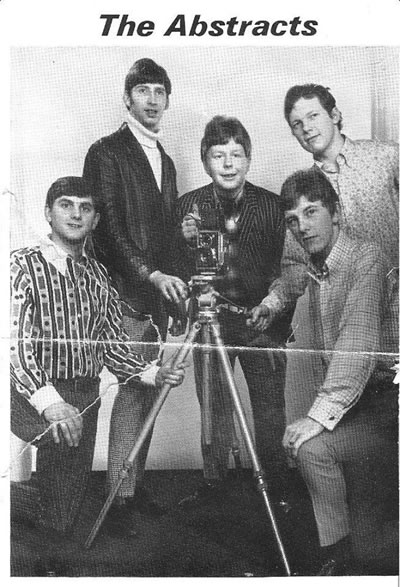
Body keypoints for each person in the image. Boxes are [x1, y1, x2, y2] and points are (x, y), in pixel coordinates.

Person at [10, 177, 186, 569]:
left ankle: (40, 510)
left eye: (85, 207)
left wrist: (154, 374)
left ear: (95, 220)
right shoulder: (21, 264)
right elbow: (14, 345)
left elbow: (113, 346)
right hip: (27, 392)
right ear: (48, 213)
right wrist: (51, 404)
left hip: (84, 395)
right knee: (60, 453)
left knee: (63, 513)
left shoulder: (99, 276)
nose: (76, 214)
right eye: (66, 205)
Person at [83, 59, 187, 532]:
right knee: (132, 388)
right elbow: (106, 229)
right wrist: (150, 275)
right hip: (123, 294)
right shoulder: (106, 152)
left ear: (167, 100)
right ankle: (119, 500)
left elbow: (164, 236)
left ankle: (131, 488)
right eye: (143, 90)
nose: (151, 99)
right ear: (127, 98)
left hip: (154, 298)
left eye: (159, 92)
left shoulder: (165, 160)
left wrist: (171, 293)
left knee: (148, 391)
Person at [279, 168, 398, 575]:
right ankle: (337, 558)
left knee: (378, 552)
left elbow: (356, 344)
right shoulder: (319, 270)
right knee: (311, 450)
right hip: (364, 410)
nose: (302, 226)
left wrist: (316, 417)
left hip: (392, 410)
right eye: (293, 220)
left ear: (336, 213)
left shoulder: (367, 257)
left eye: (311, 212)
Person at [174, 116, 292, 507]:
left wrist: (272, 310)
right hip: (211, 324)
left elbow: (289, 269)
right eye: (218, 155)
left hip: (263, 324)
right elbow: (175, 270)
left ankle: (275, 487)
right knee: (214, 409)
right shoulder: (187, 207)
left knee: (270, 409)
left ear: (249, 159)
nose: (228, 164)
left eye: (236, 154)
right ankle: (215, 486)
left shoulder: (273, 206)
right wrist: (185, 245)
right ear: (204, 160)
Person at [259, 83, 399, 324]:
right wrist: (269, 306)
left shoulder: (386, 157)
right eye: (297, 124)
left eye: (313, 116)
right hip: (343, 319)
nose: (306, 128)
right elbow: (296, 267)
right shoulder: (302, 192)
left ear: (334, 115)